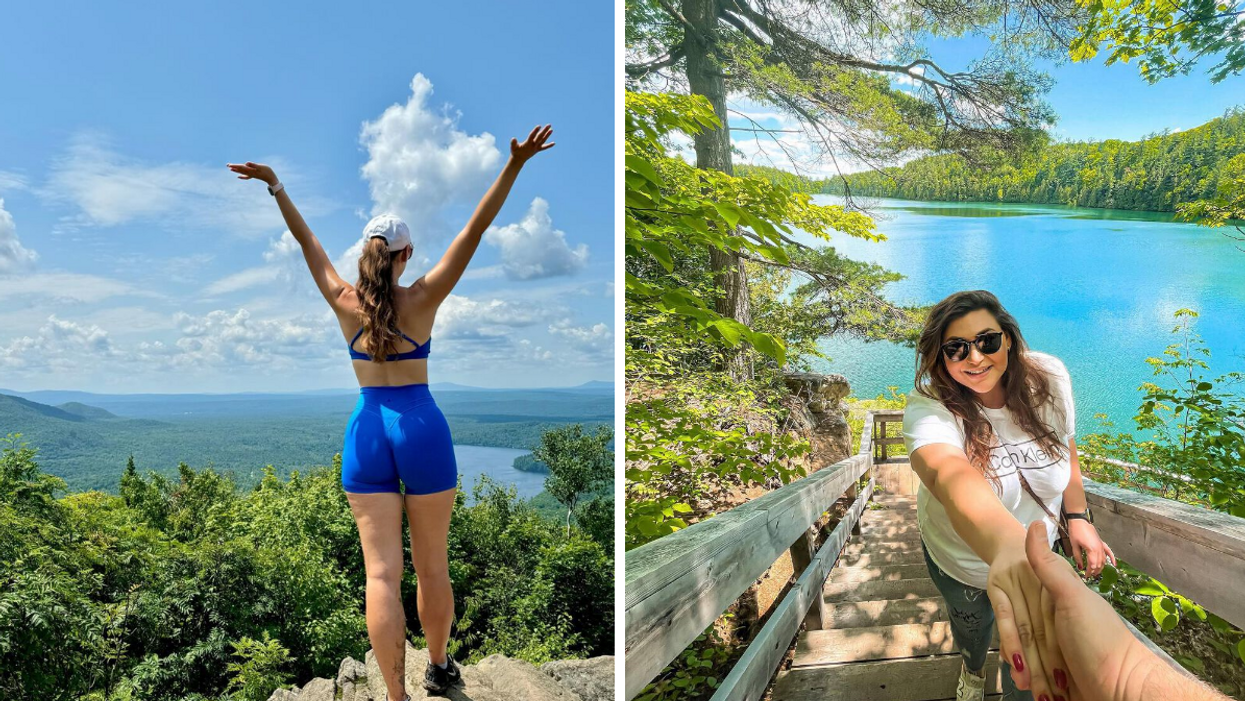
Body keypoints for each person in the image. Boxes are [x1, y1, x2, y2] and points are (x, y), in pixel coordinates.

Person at [226, 124, 554, 701]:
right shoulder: (423, 298)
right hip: (422, 427)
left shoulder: (343, 302)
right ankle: (439, 666)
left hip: (367, 430)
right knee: (432, 567)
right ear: (405, 256)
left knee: (381, 575)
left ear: (365, 254)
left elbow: (309, 246)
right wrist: (515, 165)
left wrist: (276, 186)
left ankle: (395, 696)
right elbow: (476, 230)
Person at [901, 290, 1116, 701]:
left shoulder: (1048, 378)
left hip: (1035, 561)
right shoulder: (931, 406)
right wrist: (1009, 548)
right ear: (940, 357)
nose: (976, 358)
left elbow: (1065, 446)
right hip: (960, 563)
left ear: (1009, 339)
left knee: (1030, 660)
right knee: (972, 629)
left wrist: (1078, 517)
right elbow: (946, 471)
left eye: (987, 341)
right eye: (956, 348)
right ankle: (972, 668)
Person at [1021, 520, 1231, 701]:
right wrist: (1127, 673)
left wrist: (1078, 517)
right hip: (1020, 574)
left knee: (1028, 656)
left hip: (1040, 576)